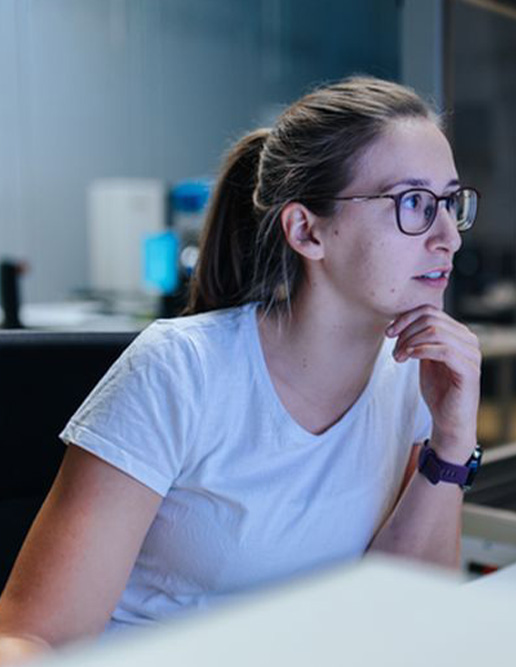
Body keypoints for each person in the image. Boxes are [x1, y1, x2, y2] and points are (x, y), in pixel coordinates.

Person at [0, 76, 482, 663]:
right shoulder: (180, 372)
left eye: (450, 204)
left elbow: (407, 614)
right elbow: (31, 638)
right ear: (307, 230)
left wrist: (453, 442)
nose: (447, 237)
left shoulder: (412, 373)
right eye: (413, 203)